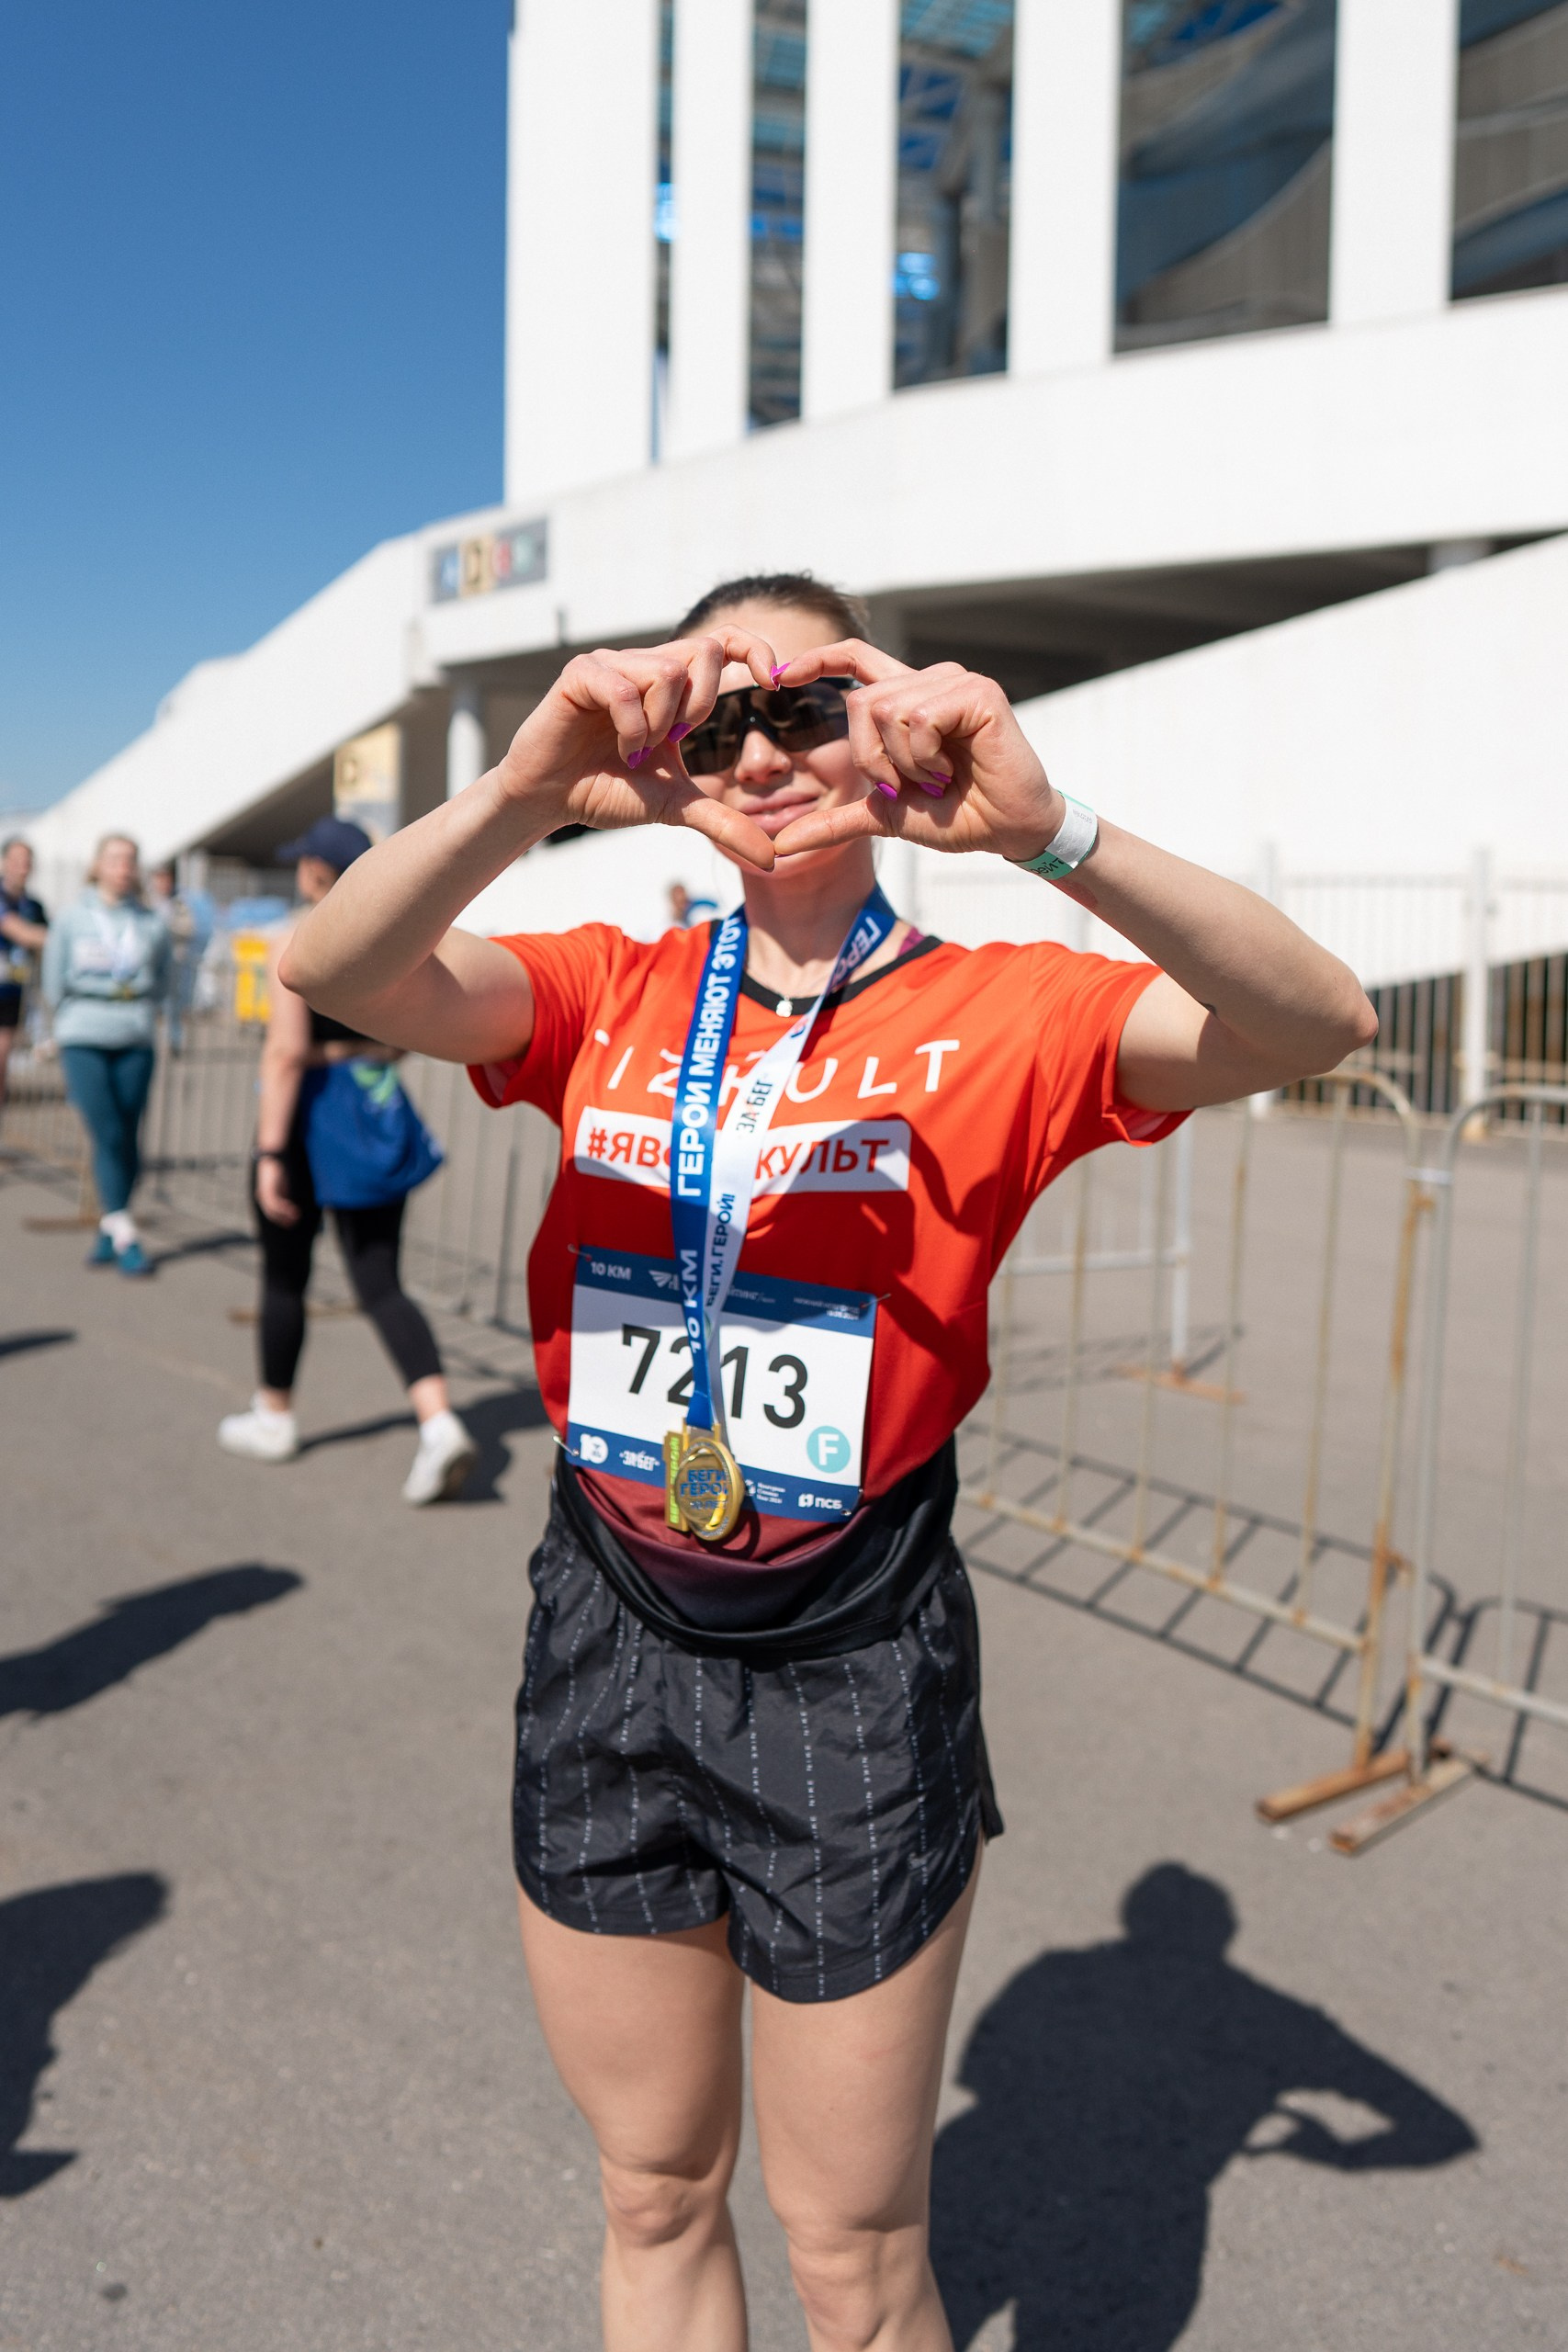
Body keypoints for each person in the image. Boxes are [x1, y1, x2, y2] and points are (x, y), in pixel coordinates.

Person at [280, 571, 1376, 2351]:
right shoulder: (609, 986)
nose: (764, 749)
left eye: (808, 705)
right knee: (652, 2189)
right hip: (606, 1626)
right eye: (718, 716)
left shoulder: (1005, 1009)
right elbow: (333, 970)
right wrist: (530, 785)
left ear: (889, 729)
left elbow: (1317, 1023)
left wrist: (1048, 831)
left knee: (852, 2250)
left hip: (850, 1660)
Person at [217, 816, 476, 1506]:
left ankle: (275, 1417)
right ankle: (439, 1421)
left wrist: (269, 1153)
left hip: (308, 1125)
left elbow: (284, 1055)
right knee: (381, 1283)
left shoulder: (296, 943)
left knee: (284, 1277)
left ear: (314, 873)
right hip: (372, 1117)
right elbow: (404, 1038)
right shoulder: (395, 940)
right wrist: (351, 1049)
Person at [41, 834, 171, 1274]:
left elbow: (164, 979)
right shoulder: (72, 918)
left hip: (134, 1034)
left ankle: (110, 1224)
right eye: (115, 859)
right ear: (97, 865)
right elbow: (53, 981)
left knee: (128, 1135)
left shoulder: (150, 923)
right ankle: (126, 1232)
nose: (123, 867)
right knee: (108, 1130)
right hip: (83, 1034)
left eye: (130, 860)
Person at [0, 835, 49, 1114]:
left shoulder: (35, 906)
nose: (22, 867)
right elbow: (20, 932)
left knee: (4, 1052)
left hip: (13, 991)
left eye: (27, 861)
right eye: (16, 860)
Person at [147, 859, 213, 1054]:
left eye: (165, 878)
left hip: (174, 960)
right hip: (150, 961)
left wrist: (168, 930)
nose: (162, 883)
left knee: (174, 1004)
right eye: (159, 878)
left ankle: (174, 1041)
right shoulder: (146, 902)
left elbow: (189, 928)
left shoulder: (180, 902)